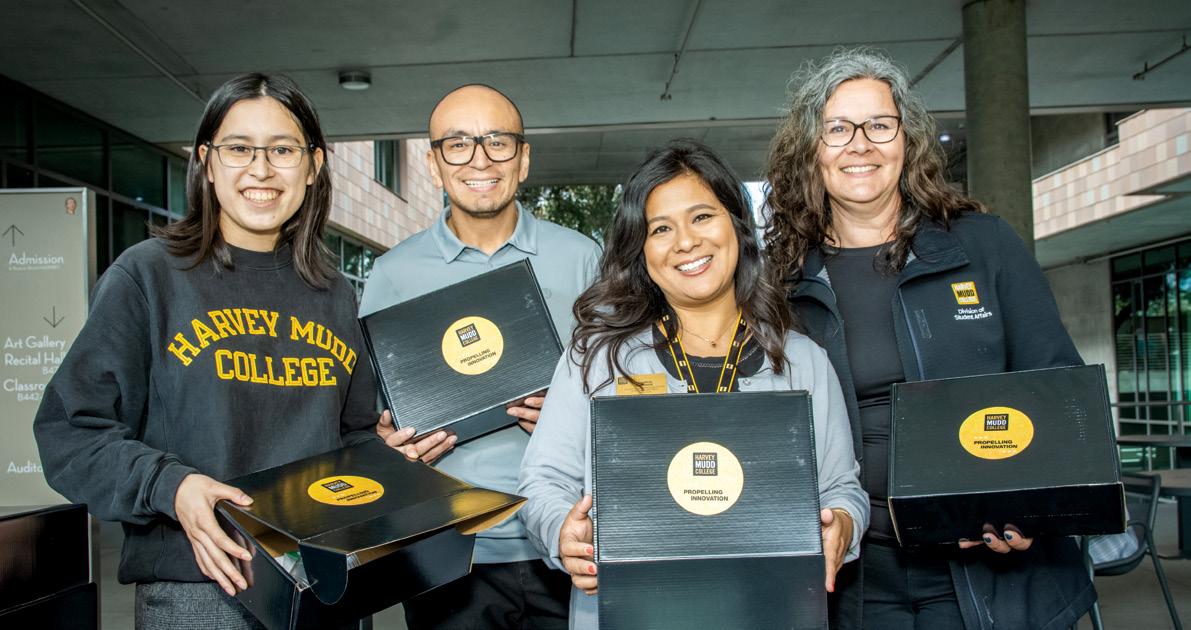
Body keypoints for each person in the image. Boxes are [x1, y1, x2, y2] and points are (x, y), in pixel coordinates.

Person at [763, 47, 1096, 629]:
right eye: (837, 128)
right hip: (854, 573)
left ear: (908, 140)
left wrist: (1032, 508)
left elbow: (1058, 389)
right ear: (810, 149)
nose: (860, 144)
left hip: (989, 567)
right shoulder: (781, 280)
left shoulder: (983, 245)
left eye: (879, 125)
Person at [32, 74, 380, 629]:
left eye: (282, 150)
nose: (261, 170)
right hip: (200, 589)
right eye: (239, 148)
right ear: (207, 161)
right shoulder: (148, 276)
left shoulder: (334, 292)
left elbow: (353, 436)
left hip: (324, 582)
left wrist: (391, 460)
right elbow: (70, 431)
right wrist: (172, 486)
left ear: (313, 165)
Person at [518, 139, 868, 629]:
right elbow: (543, 481)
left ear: (737, 225)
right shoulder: (596, 359)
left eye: (702, 217)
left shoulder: (803, 361)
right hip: (630, 614)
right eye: (661, 228)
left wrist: (842, 525)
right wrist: (562, 531)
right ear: (640, 251)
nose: (685, 242)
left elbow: (841, 489)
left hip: (770, 613)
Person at [358, 83, 600, 629]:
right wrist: (389, 445)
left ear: (523, 159)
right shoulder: (393, 274)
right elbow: (366, 422)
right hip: (446, 548)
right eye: (458, 144)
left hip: (567, 540)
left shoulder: (583, 259)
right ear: (433, 164)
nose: (480, 160)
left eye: (497, 141)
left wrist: (574, 419)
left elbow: (623, 388)